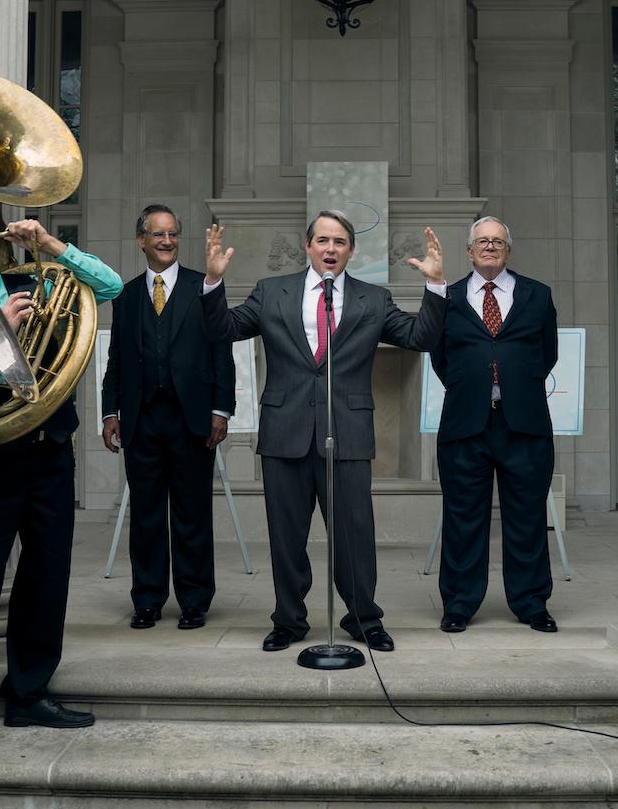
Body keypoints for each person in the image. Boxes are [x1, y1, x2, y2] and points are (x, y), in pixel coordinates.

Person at [0, 196, 123, 749]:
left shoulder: (38, 279)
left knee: (47, 576)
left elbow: (111, 289)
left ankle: (29, 693)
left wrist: (51, 245)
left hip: (50, 450)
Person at [199, 212, 448, 652]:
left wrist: (435, 287)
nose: (330, 249)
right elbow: (223, 330)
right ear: (308, 245)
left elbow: (420, 337)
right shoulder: (271, 292)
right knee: (286, 535)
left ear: (351, 251)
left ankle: (363, 618)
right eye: (322, 241)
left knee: (354, 533)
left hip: (347, 432)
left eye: (339, 242)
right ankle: (289, 621)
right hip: (285, 431)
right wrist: (214, 284)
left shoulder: (373, 298)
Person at [101, 204, 235, 630]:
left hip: (193, 420)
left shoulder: (204, 286)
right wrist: (110, 412)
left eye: (173, 234)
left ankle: (194, 601)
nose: (166, 241)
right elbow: (116, 358)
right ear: (141, 240)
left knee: (192, 513)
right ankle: (148, 599)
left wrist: (221, 409)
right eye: (158, 234)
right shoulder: (125, 295)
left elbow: (222, 350)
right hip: (141, 421)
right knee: (146, 515)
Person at [427, 216, 559, 634]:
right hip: (466, 425)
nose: (489, 247)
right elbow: (439, 358)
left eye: (497, 241)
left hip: (525, 424)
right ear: (469, 251)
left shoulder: (538, 295)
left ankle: (531, 603)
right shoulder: (447, 298)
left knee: (528, 517)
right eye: (481, 241)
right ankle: (459, 604)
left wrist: (513, 383)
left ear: (508, 250)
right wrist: (477, 387)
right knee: (463, 517)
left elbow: (547, 354)